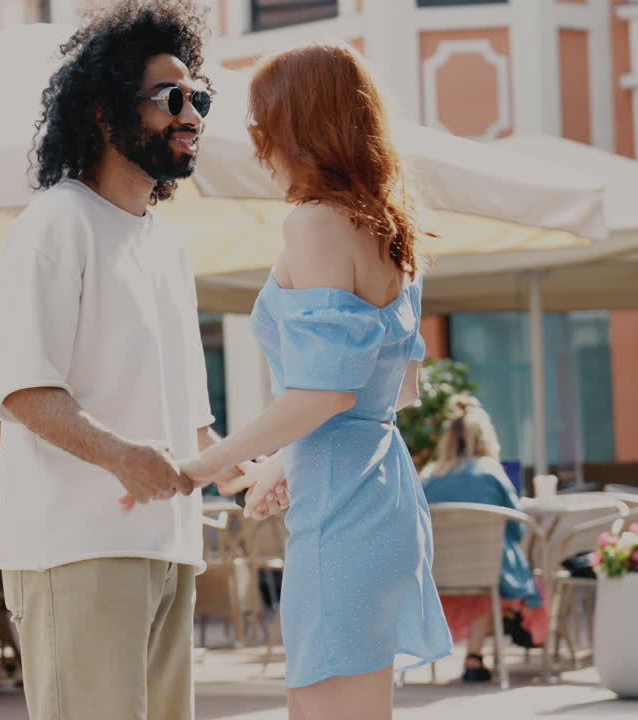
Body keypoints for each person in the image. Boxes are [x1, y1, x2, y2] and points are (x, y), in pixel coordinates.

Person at [0, 3, 287, 718]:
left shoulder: (167, 244)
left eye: (199, 99)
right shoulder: (55, 224)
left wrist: (240, 474)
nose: (191, 115)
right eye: (169, 99)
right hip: (77, 548)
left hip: (170, 547)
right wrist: (123, 455)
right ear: (103, 112)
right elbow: (27, 393)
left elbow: (188, 418)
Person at [176, 41, 452, 719]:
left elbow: (327, 391)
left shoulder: (314, 223)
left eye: (262, 124)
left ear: (297, 127)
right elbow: (390, 394)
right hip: (380, 494)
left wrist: (207, 464)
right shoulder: (390, 230)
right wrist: (284, 464)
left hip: (344, 510)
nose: (257, 145)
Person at [421, 394, 548, 682]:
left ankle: (487, 639)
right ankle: (492, 638)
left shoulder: (428, 476)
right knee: (502, 568)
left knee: (483, 574)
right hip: (488, 571)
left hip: (438, 571)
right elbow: (516, 530)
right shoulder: (492, 473)